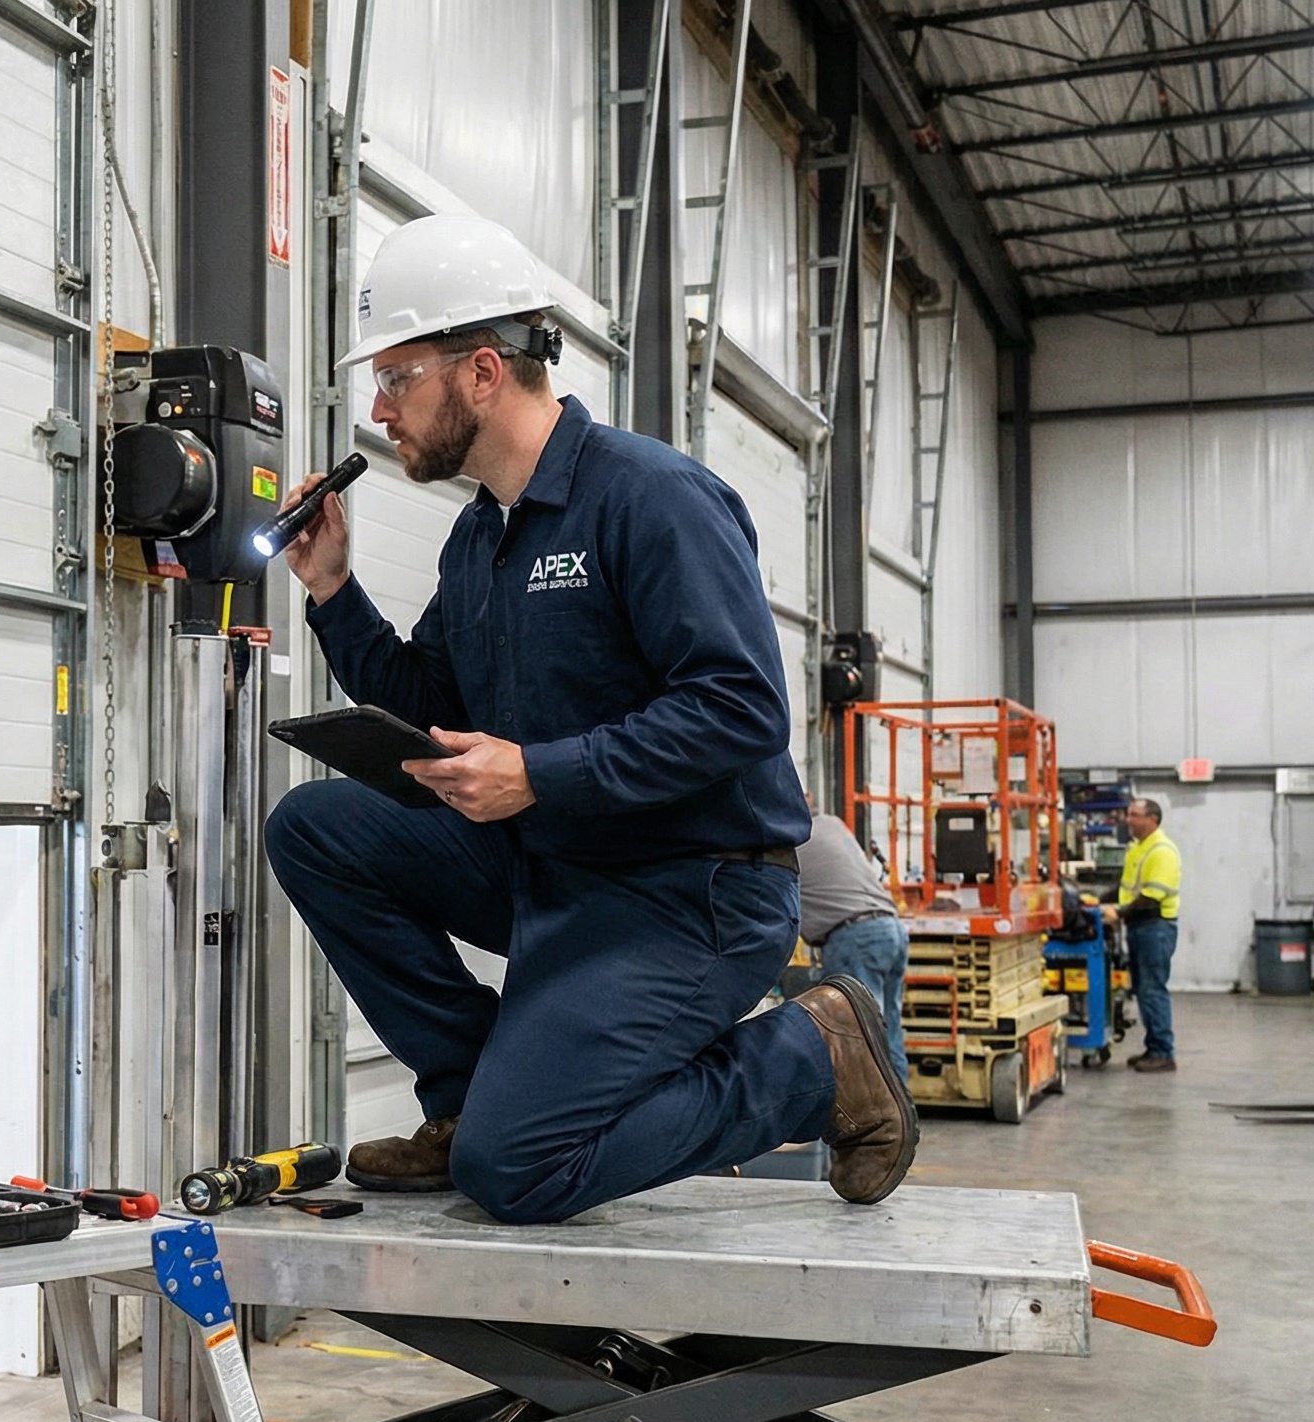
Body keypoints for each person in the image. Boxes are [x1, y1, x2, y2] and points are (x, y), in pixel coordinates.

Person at [262, 213, 917, 1223]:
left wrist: (542, 774)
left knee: (515, 1171)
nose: (381, 409)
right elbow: (431, 709)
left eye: (397, 378)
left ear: (480, 373)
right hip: (554, 872)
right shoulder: (479, 539)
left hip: (689, 894)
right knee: (313, 827)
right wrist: (332, 590)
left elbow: (739, 709)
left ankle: (813, 1056)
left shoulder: (651, 498)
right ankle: (467, 1092)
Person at [800, 809, 910, 1064]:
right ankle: (900, 1103)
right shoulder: (832, 823)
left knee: (859, 1037)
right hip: (891, 928)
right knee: (888, 1030)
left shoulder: (788, 845)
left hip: (855, 937)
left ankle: (873, 1104)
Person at [1118, 797, 1181, 1072]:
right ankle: (1153, 1046)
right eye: (1128, 814)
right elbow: (1127, 890)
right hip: (1140, 927)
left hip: (1155, 928)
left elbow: (1151, 899)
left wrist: (1117, 914)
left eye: (1134, 815)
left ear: (1151, 820)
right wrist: (1099, 902)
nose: (1128, 820)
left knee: (1153, 989)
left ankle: (1164, 1053)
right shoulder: (1138, 848)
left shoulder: (1162, 851)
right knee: (1144, 990)